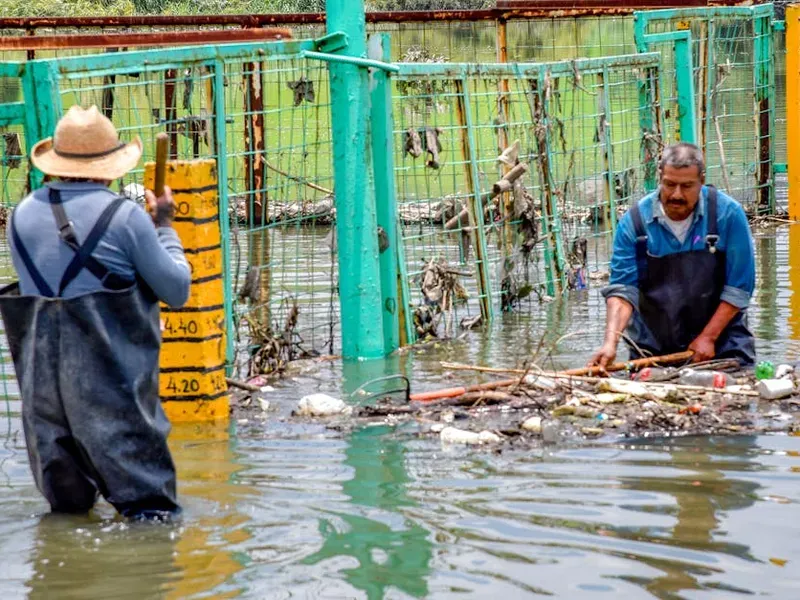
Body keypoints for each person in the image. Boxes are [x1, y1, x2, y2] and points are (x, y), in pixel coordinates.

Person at [0, 105, 191, 520]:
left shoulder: (20, 216)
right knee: (152, 515)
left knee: (67, 515)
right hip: (111, 390)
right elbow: (177, 290)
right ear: (112, 165)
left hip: (43, 398)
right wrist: (164, 226)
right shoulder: (124, 218)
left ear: (56, 163)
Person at [588, 142, 755, 369]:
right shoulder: (635, 222)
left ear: (702, 181)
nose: (676, 194)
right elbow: (622, 291)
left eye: (687, 186)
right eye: (669, 184)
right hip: (653, 348)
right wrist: (611, 343)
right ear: (660, 177)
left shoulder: (729, 215)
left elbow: (739, 289)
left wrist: (709, 337)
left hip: (723, 343)